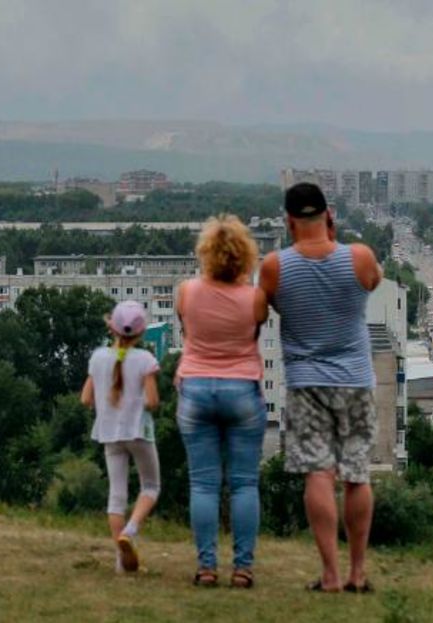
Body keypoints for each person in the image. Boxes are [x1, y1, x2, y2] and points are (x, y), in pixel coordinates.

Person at [258, 182, 382, 594]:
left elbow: (269, 306)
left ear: (288, 221)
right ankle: (358, 573)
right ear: (329, 214)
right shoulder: (359, 257)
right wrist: (334, 238)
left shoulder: (275, 266)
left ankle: (329, 574)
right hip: (356, 381)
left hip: (306, 382)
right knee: (357, 474)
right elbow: (374, 281)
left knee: (318, 473)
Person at [175, 214, 269, 588]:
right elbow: (254, 333)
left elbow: (187, 330)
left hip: (196, 389)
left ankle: (206, 567)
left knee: (203, 485)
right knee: (245, 484)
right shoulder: (255, 298)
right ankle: (243, 568)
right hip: (242, 389)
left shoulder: (186, 292)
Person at [80, 300, 161, 574]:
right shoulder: (146, 360)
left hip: (109, 433)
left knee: (117, 496)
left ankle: (121, 562)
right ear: (140, 333)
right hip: (139, 431)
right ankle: (131, 529)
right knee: (150, 487)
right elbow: (151, 401)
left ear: (111, 328)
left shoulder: (98, 357)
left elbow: (85, 398)